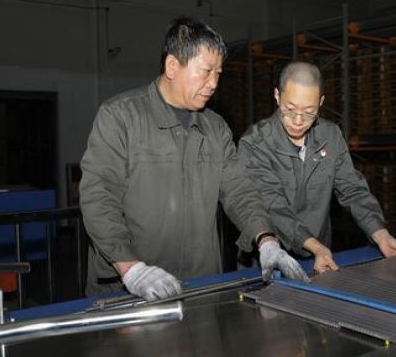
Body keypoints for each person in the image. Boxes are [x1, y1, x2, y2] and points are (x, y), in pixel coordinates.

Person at [79, 17, 308, 301]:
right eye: (206, 71)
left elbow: (239, 191)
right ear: (172, 66)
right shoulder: (120, 117)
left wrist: (266, 239)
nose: (214, 84)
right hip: (130, 290)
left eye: (219, 73)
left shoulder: (215, 128)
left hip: (201, 286)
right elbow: (99, 197)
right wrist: (131, 268)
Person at [238, 61, 396, 274]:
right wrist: (314, 246)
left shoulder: (331, 136)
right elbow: (272, 206)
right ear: (277, 96)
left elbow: (352, 188)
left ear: (321, 102)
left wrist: (379, 232)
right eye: (290, 109)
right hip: (267, 255)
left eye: (309, 112)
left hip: (318, 254)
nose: (298, 121)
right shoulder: (255, 143)